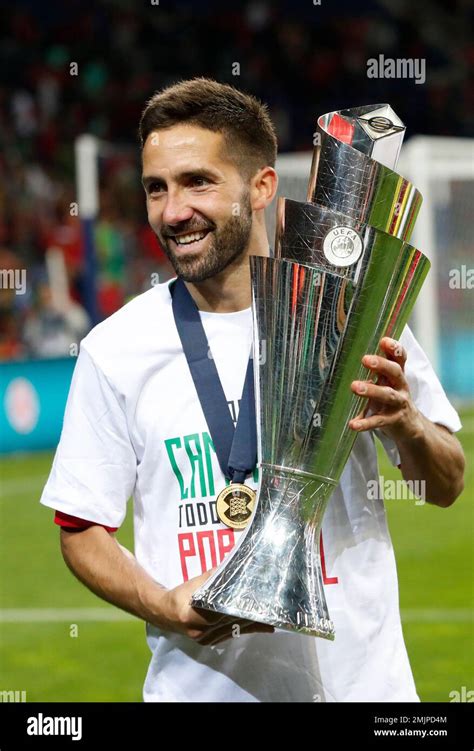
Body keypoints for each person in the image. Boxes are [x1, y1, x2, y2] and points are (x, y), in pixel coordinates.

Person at [40, 78, 465, 702]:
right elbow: (80, 527)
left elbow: (446, 484)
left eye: (197, 182)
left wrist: (408, 423)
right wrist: (163, 604)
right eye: (156, 188)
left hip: (364, 691)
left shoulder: (354, 312)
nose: (172, 210)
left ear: (261, 187)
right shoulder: (115, 350)